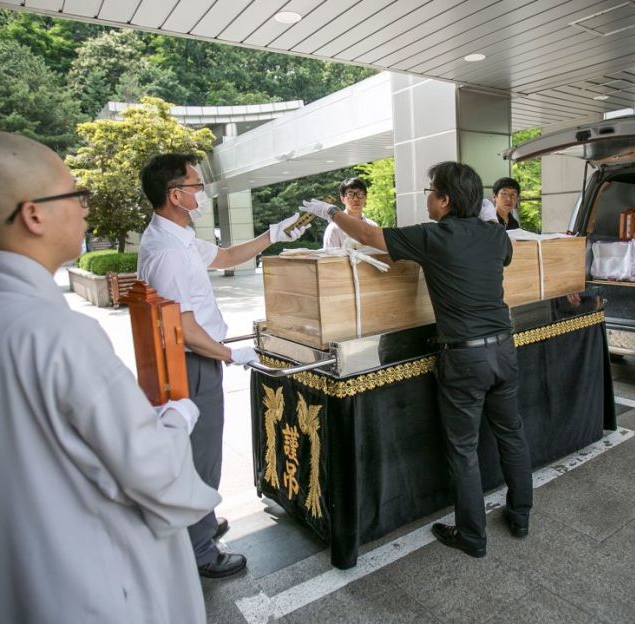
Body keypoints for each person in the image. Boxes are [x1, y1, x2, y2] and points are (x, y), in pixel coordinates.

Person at [0, 132, 221, 623]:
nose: (84, 208)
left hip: (13, 560)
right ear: (34, 214)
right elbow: (155, 474)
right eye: (73, 194)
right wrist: (177, 414)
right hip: (77, 576)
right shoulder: (63, 334)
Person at [300, 162, 533, 558]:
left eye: (429, 190)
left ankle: (473, 536)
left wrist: (330, 212)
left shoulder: (434, 235)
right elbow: (504, 253)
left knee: (463, 449)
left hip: (464, 358)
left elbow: (372, 236)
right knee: (511, 433)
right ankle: (521, 515)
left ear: (443, 199)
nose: (426, 196)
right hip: (504, 350)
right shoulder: (496, 237)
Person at [137, 153, 309, 578]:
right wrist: (234, 354)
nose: (201, 192)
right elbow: (184, 329)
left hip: (197, 357)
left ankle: (203, 522)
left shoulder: (178, 238)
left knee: (199, 452)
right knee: (201, 457)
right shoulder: (167, 253)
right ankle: (200, 551)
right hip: (191, 363)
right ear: (175, 195)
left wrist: (275, 232)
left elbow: (229, 257)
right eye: (195, 186)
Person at [322, 177, 378, 248]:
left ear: (365, 197)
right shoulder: (334, 229)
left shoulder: (373, 227)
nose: (355, 199)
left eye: (360, 194)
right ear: (342, 199)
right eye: (350, 195)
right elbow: (330, 258)